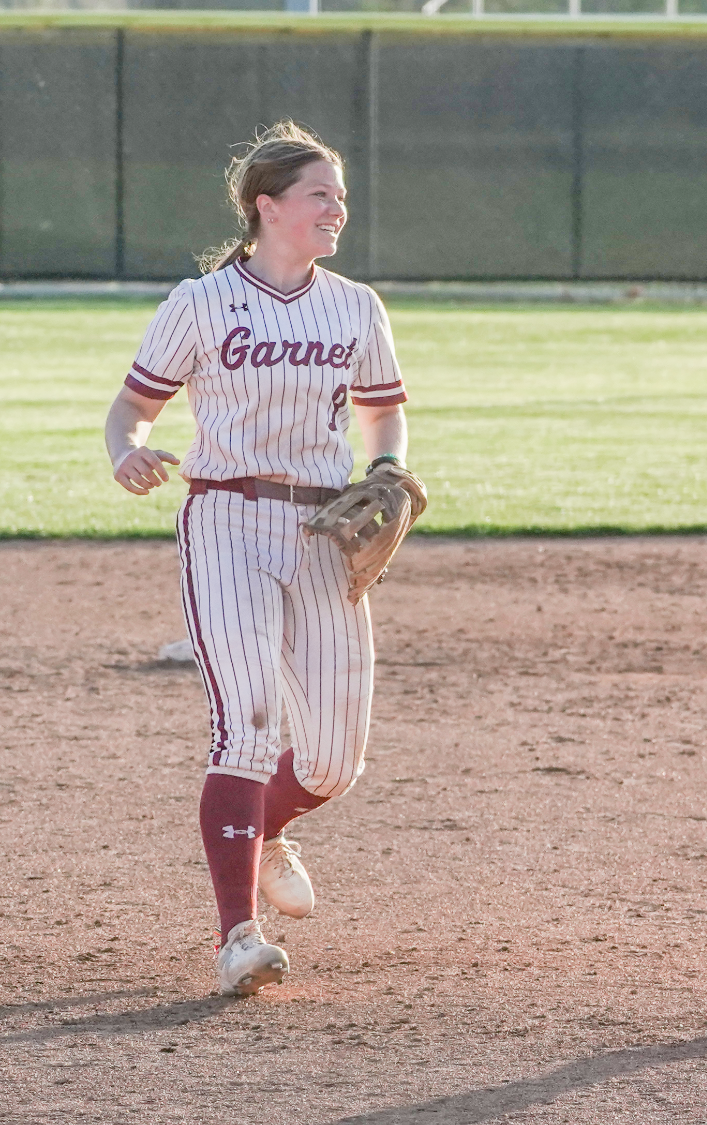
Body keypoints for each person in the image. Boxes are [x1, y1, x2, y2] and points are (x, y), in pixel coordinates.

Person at [102, 121, 410, 996]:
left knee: (332, 761)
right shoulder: (199, 304)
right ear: (267, 207)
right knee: (247, 722)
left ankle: (265, 832)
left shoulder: (356, 306)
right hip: (227, 521)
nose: (337, 208)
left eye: (340, 194)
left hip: (322, 532)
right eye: (321, 193)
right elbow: (132, 408)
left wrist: (386, 465)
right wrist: (127, 450)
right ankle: (238, 933)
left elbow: (382, 413)